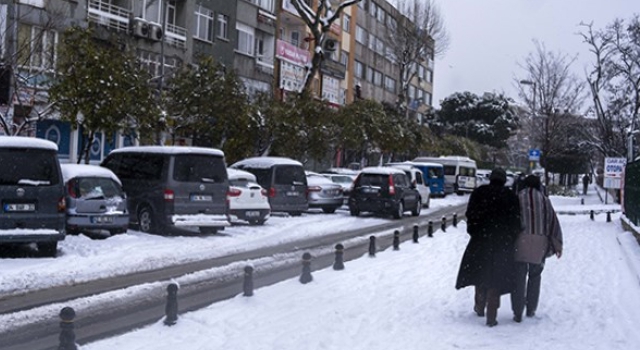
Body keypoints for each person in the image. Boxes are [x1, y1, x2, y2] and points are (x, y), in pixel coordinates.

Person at [456, 168, 522, 327]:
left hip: (481, 240)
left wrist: (474, 231)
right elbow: (515, 221)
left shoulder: (479, 193)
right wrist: (510, 238)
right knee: (496, 277)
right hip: (502, 243)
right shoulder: (510, 196)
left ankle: (479, 305)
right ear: (504, 180)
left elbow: (470, 214)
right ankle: (492, 313)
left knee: (480, 271)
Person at [510, 175, 563, 322]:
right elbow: (553, 222)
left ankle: (517, 310)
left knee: (518, 277)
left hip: (520, 242)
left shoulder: (518, 197)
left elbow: (511, 220)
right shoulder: (544, 200)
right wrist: (557, 244)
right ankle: (531, 308)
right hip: (540, 244)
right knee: (535, 276)